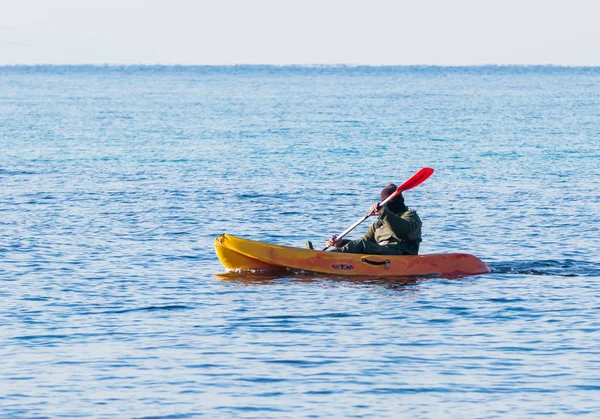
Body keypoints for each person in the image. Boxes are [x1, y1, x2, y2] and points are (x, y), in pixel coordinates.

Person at [325, 184, 422, 255]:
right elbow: (362, 243)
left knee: (360, 244)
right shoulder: (378, 224)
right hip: (383, 252)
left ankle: (328, 257)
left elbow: (403, 231)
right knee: (360, 244)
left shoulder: (410, 215)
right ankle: (328, 256)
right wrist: (340, 243)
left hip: (403, 252)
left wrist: (384, 213)